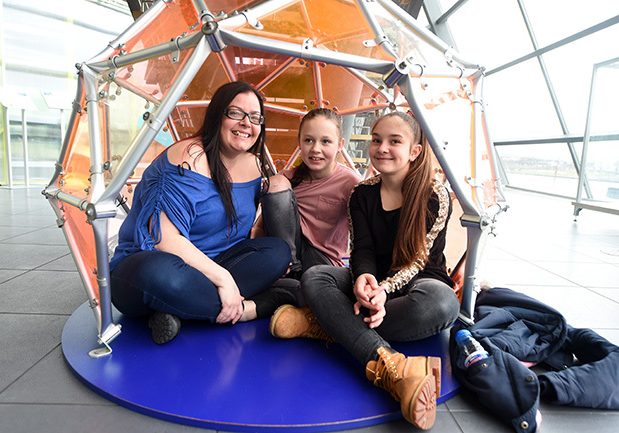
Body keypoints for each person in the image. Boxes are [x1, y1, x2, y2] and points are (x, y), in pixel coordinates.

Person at [270, 111, 461, 430]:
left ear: (414, 150)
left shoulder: (434, 194)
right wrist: (362, 278)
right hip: (372, 285)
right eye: (376, 140)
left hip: (416, 288)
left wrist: (384, 291)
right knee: (317, 277)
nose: (382, 148)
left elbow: (417, 260)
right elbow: (363, 250)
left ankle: (323, 324)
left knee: (442, 303)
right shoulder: (363, 193)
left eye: (394, 141)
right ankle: (392, 368)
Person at [109, 81, 291, 344]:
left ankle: (180, 311)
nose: (246, 123)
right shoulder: (190, 157)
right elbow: (164, 240)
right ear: (218, 115)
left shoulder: (253, 164)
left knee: (277, 252)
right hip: (150, 268)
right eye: (235, 113)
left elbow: (246, 229)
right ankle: (251, 309)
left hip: (210, 266)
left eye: (254, 117)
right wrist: (224, 279)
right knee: (159, 274)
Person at [259, 108, 360, 279]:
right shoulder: (286, 179)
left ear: (340, 145)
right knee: (275, 183)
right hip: (286, 252)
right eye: (308, 140)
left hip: (322, 259)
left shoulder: (350, 182)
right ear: (299, 143)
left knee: (311, 281)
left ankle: (296, 285)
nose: (316, 149)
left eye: (326, 141)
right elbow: (263, 225)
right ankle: (290, 270)